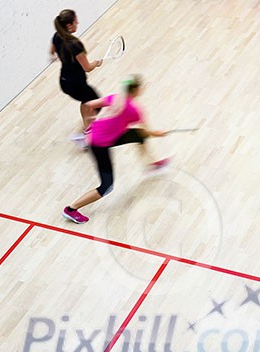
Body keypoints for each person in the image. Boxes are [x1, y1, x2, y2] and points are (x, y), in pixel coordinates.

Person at [62, 75, 170, 224]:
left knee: (139, 136)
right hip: (99, 145)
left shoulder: (116, 97)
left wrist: (89, 124)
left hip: (105, 135)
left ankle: (151, 165)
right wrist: (159, 133)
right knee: (106, 186)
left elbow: (89, 105)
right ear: (137, 90)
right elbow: (148, 131)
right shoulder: (133, 110)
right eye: (142, 87)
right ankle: (71, 209)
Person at [50, 9, 103, 133]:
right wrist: (96, 63)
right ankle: (88, 132)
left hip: (64, 82)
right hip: (76, 84)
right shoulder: (75, 45)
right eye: (75, 21)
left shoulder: (57, 36)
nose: (77, 23)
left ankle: (87, 126)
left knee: (86, 101)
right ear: (69, 25)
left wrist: (58, 56)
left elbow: (52, 51)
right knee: (96, 104)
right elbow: (87, 68)